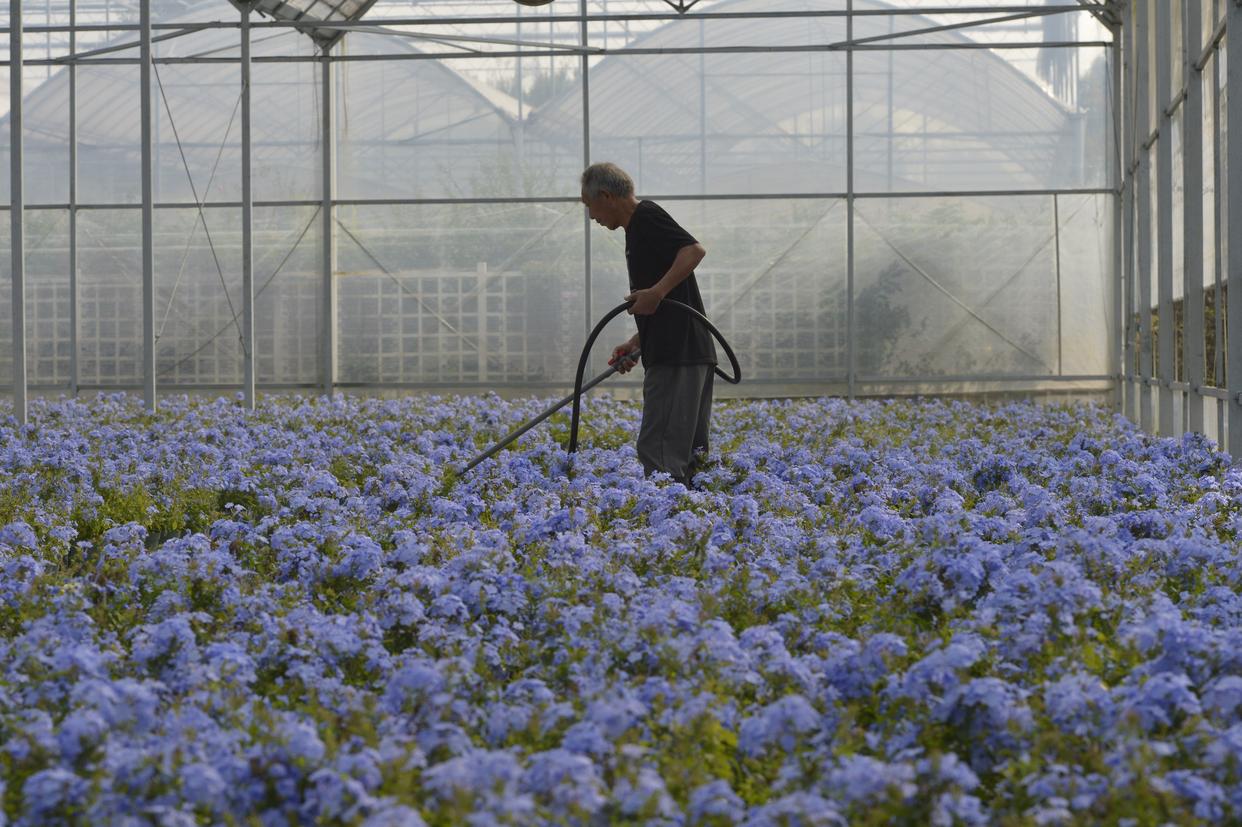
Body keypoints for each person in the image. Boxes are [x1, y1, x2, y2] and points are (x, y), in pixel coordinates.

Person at [579, 162, 717, 487]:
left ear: (606, 196)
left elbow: (694, 251)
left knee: (660, 454)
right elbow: (668, 305)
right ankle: (692, 526)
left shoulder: (646, 217)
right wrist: (638, 341)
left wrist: (656, 291)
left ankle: (668, 528)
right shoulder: (637, 231)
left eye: (590, 207)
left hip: (675, 357)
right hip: (686, 350)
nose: (592, 218)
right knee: (690, 454)